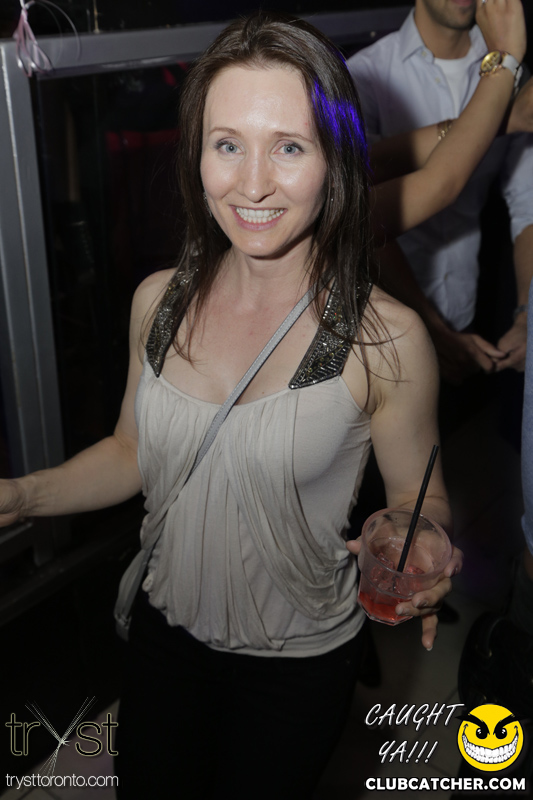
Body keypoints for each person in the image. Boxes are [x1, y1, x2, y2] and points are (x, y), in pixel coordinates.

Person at [0, 4, 525, 797]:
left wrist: (416, 542)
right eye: (227, 145)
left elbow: (422, 498)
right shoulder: (157, 302)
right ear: (195, 153)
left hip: (295, 666)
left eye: (288, 146)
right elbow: (132, 453)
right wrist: (22, 496)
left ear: (335, 158)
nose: (251, 184)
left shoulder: (383, 337)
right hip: (162, 636)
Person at [348, 0, 533, 385]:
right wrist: (431, 328)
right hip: (380, 330)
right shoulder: (363, 76)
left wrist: (526, 314)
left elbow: (527, 206)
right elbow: (361, 214)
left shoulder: (511, 72)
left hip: (470, 322)